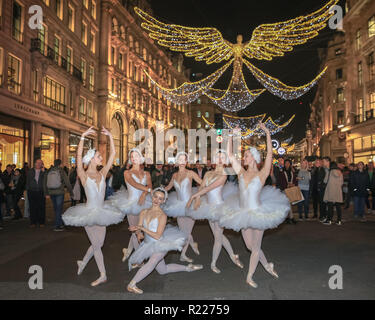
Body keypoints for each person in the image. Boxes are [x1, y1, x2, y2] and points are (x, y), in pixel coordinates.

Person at [219, 123, 290, 288]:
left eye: (246, 155)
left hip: (258, 213)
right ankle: (267, 265)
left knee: (256, 247)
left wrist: (267, 133)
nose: (244, 158)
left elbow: (270, 154)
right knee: (251, 247)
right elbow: (229, 154)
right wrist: (232, 135)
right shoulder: (241, 172)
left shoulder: (262, 173)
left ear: (254, 157)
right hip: (242, 213)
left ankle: (249, 276)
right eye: (244, 156)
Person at [62, 126, 125, 286]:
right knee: (97, 245)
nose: (101, 158)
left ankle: (83, 262)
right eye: (98, 156)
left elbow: (113, 155)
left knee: (99, 244)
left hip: (103, 211)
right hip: (89, 213)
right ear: (91, 159)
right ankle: (102, 274)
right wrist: (82, 136)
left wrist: (110, 136)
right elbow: (77, 156)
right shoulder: (83, 175)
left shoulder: (102, 172)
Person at [126, 188, 203, 294]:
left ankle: (132, 284)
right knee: (163, 270)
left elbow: (157, 236)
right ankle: (188, 268)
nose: (157, 200)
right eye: (155, 197)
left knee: (152, 262)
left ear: (163, 201)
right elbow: (139, 228)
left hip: (161, 244)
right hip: (148, 244)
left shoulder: (162, 216)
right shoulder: (144, 212)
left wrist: (142, 229)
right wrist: (138, 232)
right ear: (152, 197)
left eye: (160, 198)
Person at [186, 150, 244, 274]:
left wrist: (195, 195)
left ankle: (213, 263)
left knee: (217, 237)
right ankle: (233, 256)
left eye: (222, 157)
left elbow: (209, 188)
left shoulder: (224, 174)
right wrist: (197, 199)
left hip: (219, 208)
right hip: (208, 208)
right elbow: (202, 187)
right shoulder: (208, 173)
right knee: (220, 236)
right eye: (217, 156)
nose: (219, 159)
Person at [107, 148, 152, 263]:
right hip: (131, 204)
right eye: (131, 156)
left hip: (144, 204)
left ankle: (128, 251)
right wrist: (147, 190)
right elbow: (134, 184)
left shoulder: (147, 173)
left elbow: (150, 185)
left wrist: (144, 194)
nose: (133, 158)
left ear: (140, 157)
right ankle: (139, 260)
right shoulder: (127, 173)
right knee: (135, 231)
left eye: (136, 155)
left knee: (141, 230)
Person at [164, 152, 202, 262]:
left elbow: (202, 183)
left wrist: (198, 196)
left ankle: (183, 255)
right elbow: (169, 187)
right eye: (179, 159)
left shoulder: (190, 173)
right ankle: (192, 243)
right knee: (184, 231)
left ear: (186, 161)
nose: (181, 161)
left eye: (183, 159)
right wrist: (159, 191)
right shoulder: (174, 175)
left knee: (186, 231)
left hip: (190, 205)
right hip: (178, 206)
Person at [45, 159, 74, 231]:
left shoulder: (49, 170)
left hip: (51, 192)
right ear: (60, 164)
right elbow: (67, 182)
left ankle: (59, 223)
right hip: (59, 192)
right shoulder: (61, 171)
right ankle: (57, 226)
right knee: (59, 209)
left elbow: (44, 182)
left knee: (56, 208)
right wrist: (71, 192)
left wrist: (46, 192)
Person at [26, 159, 47, 228]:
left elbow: (46, 181)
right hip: (32, 191)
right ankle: (33, 222)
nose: (39, 164)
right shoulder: (30, 171)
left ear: (42, 164)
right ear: (34, 163)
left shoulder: (44, 171)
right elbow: (27, 181)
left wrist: (44, 172)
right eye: (38, 163)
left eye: (40, 163)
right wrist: (27, 190)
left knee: (41, 207)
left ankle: (41, 222)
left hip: (41, 191)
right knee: (32, 207)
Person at [318, 157, 331, 222]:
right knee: (323, 202)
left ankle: (327, 217)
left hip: (329, 188)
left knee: (328, 203)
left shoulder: (331, 169)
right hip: (323, 187)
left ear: (327, 161)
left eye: (323, 161)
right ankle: (323, 216)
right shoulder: (323, 169)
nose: (322, 163)